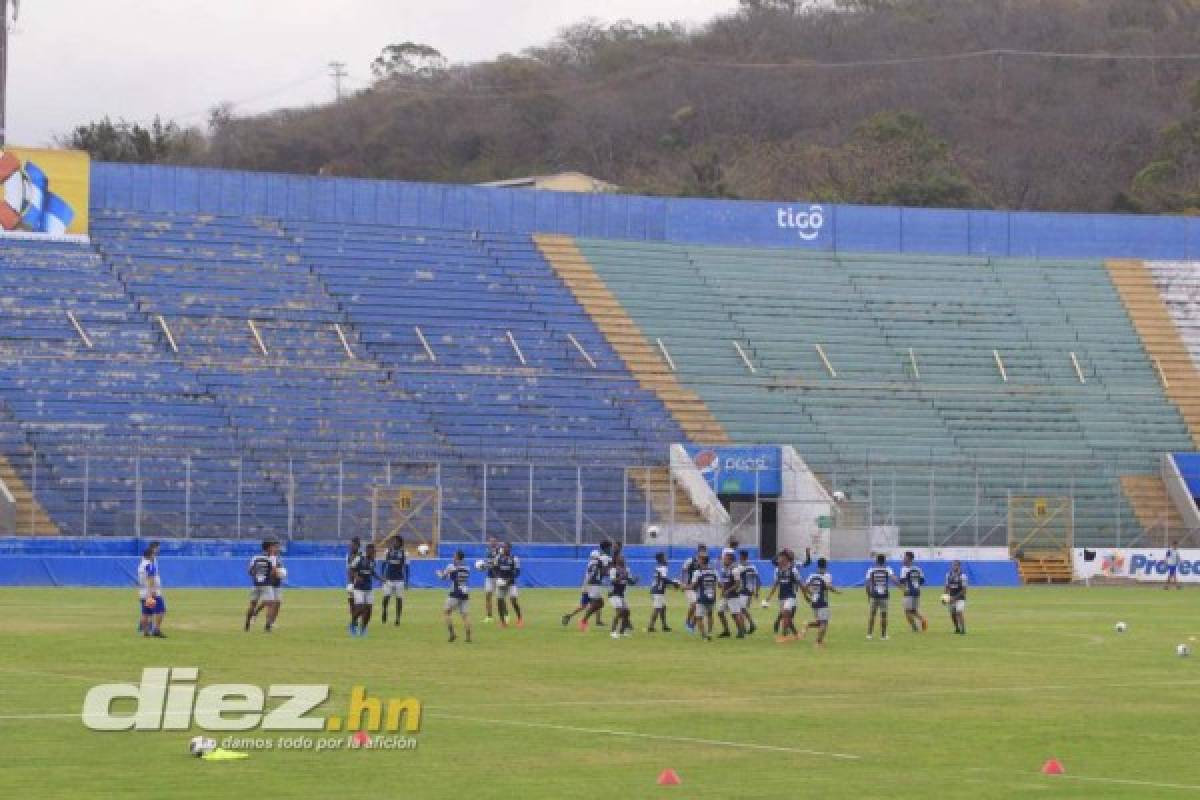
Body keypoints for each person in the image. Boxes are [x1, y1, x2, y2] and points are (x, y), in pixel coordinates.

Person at [561, 540, 613, 630]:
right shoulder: (601, 559)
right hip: (592, 584)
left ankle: (571, 616)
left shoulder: (592, 562)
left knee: (586, 605)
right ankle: (585, 621)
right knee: (597, 603)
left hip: (587, 584)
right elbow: (601, 571)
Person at [245, 539, 282, 633]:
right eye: (273, 546)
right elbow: (274, 572)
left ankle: (247, 625)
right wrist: (279, 574)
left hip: (256, 584)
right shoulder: (272, 558)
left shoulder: (255, 557)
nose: (275, 548)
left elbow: (249, 571)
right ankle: (267, 626)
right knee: (271, 604)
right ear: (269, 547)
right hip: (267, 584)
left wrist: (258, 575)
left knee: (252, 604)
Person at [801, 558, 838, 647]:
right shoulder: (827, 576)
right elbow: (829, 587)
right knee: (824, 623)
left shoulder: (811, 576)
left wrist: (808, 596)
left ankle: (807, 625)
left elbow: (804, 587)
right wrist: (836, 591)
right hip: (822, 602)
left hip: (814, 602)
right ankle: (818, 642)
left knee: (819, 623)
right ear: (826, 565)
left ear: (817, 565)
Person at [764, 551, 800, 643]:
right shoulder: (777, 570)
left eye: (780, 558)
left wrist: (806, 595)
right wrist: (769, 597)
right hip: (782, 597)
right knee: (787, 617)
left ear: (786, 559)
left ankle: (784, 636)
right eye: (779, 558)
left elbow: (800, 583)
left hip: (791, 596)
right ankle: (796, 634)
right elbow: (775, 584)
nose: (778, 560)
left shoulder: (793, 570)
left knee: (785, 614)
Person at [439, 549, 473, 643]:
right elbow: (456, 576)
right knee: (465, 616)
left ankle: (452, 633)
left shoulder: (451, 566)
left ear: (457, 556)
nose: (453, 556)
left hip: (455, 592)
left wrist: (439, 574)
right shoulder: (467, 567)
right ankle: (468, 636)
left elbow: (443, 577)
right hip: (465, 592)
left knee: (446, 612)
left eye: (454, 555)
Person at [864, 553, 899, 640]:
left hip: (874, 595)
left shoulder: (871, 570)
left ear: (876, 561)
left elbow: (867, 584)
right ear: (884, 561)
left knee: (872, 614)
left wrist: (868, 594)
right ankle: (883, 635)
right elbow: (894, 579)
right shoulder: (888, 569)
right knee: (884, 615)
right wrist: (900, 586)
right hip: (884, 595)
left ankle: (869, 634)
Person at [348, 543, 379, 638]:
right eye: (372, 551)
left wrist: (381, 578)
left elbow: (372, 572)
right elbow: (351, 569)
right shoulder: (359, 559)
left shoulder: (374, 561)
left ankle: (363, 628)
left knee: (369, 611)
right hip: (359, 588)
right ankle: (352, 624)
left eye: (374, 551)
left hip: (369, 588)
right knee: (360, 608)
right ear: (367, 551)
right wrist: (356, 577)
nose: (374, 553)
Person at [137, 541, 166, 638]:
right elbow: (151, 578)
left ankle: (145, 632)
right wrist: (151, 592)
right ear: (151, 555)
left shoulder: (141, 565)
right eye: (153, 554)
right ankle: (156, 630)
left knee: (146, 613)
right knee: (160, 611)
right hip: (152, 593)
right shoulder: (150, 565)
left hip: (142, 592)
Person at [689, 552, 720, 641]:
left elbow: (693, 586)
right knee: (710, 615)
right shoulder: (714, 571)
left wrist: (684, 586)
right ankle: (709, 632)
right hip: (712, 597)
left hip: (701, 597)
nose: (698, 561)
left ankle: (704, 635)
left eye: (699, 559)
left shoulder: (698, 572)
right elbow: (720, 584)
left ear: (702, 561)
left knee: (699, 617)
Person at [647, 551, 680, 633]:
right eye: (665, 557)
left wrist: (671, 585)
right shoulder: (663, 568)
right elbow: (663, 579)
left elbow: (661, 580)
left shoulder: (659, 567)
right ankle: (651, 626)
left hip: (657, 590)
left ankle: (664, 625)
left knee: (663, 608)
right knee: (657, 608)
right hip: (658, 591)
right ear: (661, 559)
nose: (666, 559)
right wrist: (674, 583)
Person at [493, 542, 523, 628]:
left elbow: (517, 572)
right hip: (501, 582)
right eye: (503, 547)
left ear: (510, 548)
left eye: (506, 547)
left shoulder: (514, 558)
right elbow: (495, 569)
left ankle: (520, 619)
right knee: (499, 601)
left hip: (511, 583)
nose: (504, 549)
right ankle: (502, 622)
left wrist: (509, 579)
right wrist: (498, 577)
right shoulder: (498, 557)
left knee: (513, 600)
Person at [381, 535, 409, 626]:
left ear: (400, 543)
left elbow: (406, 567)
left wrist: (406, 581)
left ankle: (397, 618)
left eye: (396, 541)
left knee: (399, 599)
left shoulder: (404, 553)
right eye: (393, 541)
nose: (394, 543)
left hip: (399, 580)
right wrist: (382, 577)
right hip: (388, 579)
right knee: (386, 597)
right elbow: (384, 564)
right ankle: (384, 611)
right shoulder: (388, 551)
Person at [717, 550, 746, 639]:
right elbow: (724, 582)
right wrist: (722, 588)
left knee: (735, 614)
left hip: (733, 596)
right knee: (720, 612)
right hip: (726, 596)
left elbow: (737, 584)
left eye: (725, 559)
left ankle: (741, 631)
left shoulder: (735, 570)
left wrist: (728, 590)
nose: (723, 560)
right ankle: (726, 631)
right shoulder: (724, 569)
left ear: (730, 560)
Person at [679, 544, 707, 633]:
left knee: (698, 607)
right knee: (695, 604)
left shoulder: (705, 562)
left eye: (704, 550)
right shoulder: (690, 561)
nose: (702, 552)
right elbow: (683, 571)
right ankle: (687, 622)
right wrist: (683, 583)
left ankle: (692, 625)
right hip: (690, 586)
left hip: (699, 588)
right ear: (698, 551)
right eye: (701, 550)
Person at [608, 555, 637, 638]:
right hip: (614, 594)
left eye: (624, 559)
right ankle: (613, 632)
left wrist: (634, 580)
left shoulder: (627, 569)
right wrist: (620, 577)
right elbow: (612, 581)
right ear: (617, 561)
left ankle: (622, 631)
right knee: (620, 612)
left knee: (627, 612)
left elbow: (630, 582)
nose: (623, 560)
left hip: (621, 595)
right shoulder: (613, 570)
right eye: (621, 559)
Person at [899, 551, 928, 632]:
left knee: (907, 611)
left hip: (908, 592)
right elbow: (922, 581)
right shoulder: (918, 569)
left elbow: (902, 581)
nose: (903, 559)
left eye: (904, 558)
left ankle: (915, 628)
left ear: (909, 559)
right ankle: (922, 619)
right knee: (913, 610)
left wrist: (904, 588)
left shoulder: (904, 569)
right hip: (917, 591)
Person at [737, 550, 760, 635]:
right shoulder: (753, 567)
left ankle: (746, 627)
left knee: (741, 610)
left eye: (740, 556)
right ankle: (750, 625)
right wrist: (756, 591)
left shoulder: (740, 567)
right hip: (750, 592)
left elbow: (738, 579)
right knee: (743, 609)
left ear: (742, 556)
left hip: (743, 591)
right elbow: (758, 579)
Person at [945, 560, 968, 635]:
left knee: (959, 612)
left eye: (956, 565)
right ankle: (957, 628)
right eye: (953, 565)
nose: (954, 566)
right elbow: (947, 586)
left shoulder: (963, 576)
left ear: (959, 566)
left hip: (960, 598)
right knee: (952, 614)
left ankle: (963, 629)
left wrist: (954, 598)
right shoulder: (948, 575)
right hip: (951, 598)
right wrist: (945, 596)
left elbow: (964, 590)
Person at [482, 537, 501, 623]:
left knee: (500, 597)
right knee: (488, 596)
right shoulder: (488, 551)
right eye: (490, 541)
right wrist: (482, 566)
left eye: (493, 541)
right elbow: (488, 563)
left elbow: (499, 563)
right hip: (489, 577)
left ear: (496, 542)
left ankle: (505, 614)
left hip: (498, 577)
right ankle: (489, 616)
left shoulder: (500, 551)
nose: (491, 543)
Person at [344, 536, 362, 621]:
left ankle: (357, 617)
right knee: (351, 598)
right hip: (351, 581)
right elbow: (348, 569)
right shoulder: (349, 555)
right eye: (351, 544)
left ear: (358, 545)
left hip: (359, 582)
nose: (351, 546)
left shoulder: (362, 555)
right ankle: (353, 615)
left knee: (359, 601)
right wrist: (349, 581)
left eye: (353, 544)